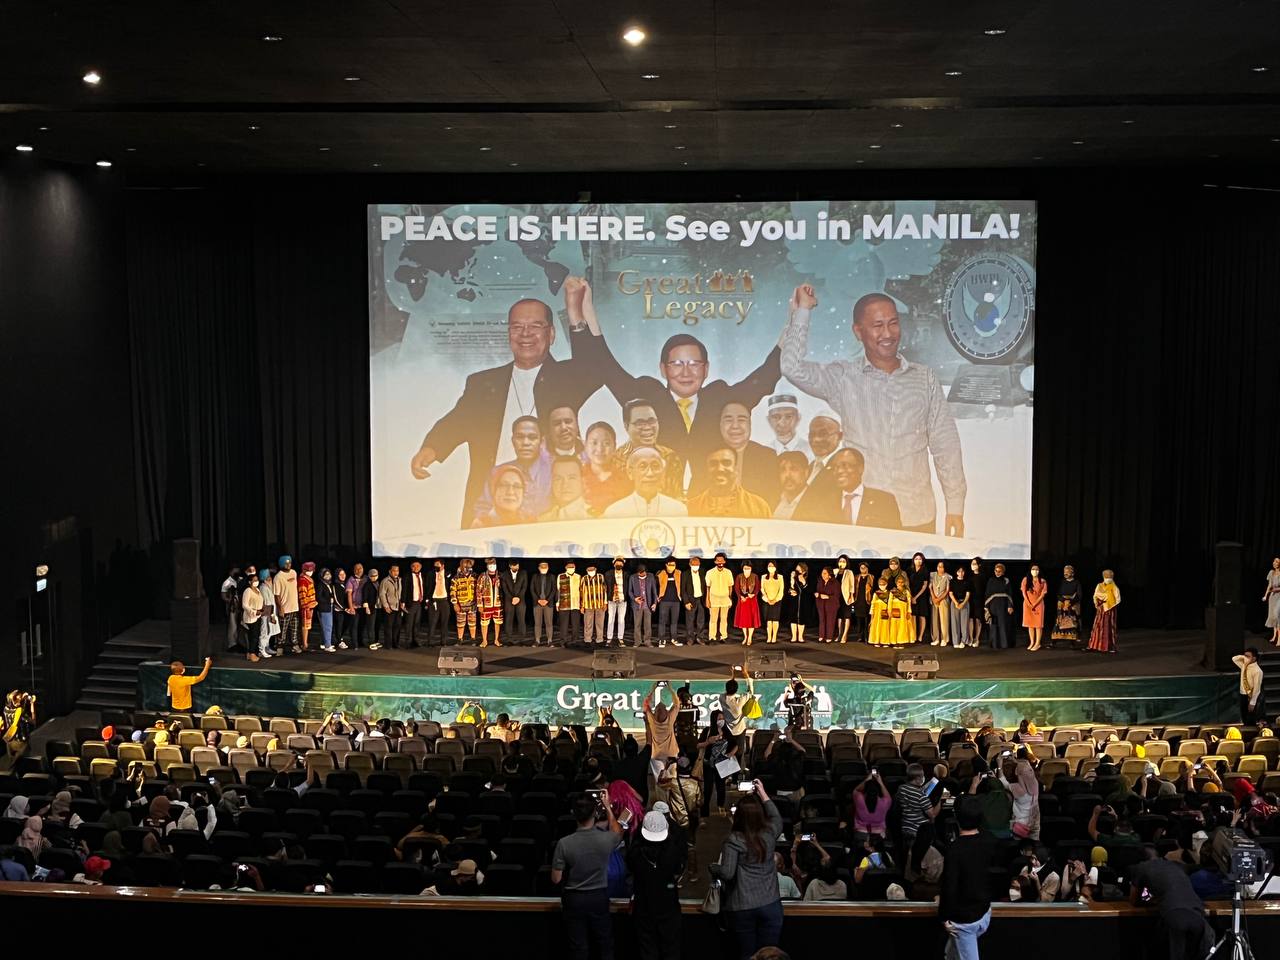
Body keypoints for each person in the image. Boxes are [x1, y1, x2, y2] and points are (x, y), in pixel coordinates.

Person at [781, 283, 966, 536]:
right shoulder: (843, 378)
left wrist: (955, 506)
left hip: (916, 514)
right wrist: (803, 311)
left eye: (893, 323)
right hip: (865, 518)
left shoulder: (924, 379)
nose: (888, 333)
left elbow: (945, 445)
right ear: (858, 331)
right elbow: (791, 367)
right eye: (878, 326)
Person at [569, 276, 782, 494]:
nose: (686, 373)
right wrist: (586, 312)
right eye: (677, 364)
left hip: (711, 503)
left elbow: (764, 379)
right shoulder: (648, 396)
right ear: (663, 369)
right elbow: (608, 369)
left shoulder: (719, 398)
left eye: (694, 364)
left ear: (706, 370)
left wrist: (797, 319)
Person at [408, 290, 599, 524]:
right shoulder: (482, 383)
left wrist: (576, 312)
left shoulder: (569, 377)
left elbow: (594, 364)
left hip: (552, 506)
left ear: (551, 334)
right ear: (509, 334)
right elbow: (458, 421)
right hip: (490, 507)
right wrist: (432, 448)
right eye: (517, 327)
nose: (525, 333)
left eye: (535, 326)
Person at [708, 781, 784, 960]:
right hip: (770, 904)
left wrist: (713, 868)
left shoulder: (733, 840)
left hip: (742, 907)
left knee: (747, 955)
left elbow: (727, 873)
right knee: (770, 955)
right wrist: (762, 792)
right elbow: (776, 817)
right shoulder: (769, 833)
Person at [551, 792, 624, 960]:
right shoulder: (605, 839)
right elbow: (618, 832)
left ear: (573, 813)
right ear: (595, 813)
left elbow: (556, 878)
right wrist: (608, 807)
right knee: (605, 944)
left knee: (578, 948)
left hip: (574, 899)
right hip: (598, 897)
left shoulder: (564, 843)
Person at [1129, 846, 1214, 960]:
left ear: (1141, 860)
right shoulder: (1177, 865)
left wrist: (1152, 900)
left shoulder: (1141, 868)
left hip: (1175, 917)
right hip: (1198, 917)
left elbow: (1134, 900)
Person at [939, 797, 995, 960]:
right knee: (951, 954)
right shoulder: (990, 841)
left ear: (956, 818)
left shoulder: (954, 850)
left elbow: (949, 887)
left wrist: (944, 917)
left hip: (965, 921)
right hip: (985, 912)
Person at [469, 415, 553, 521]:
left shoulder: (554, 470)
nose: (525, 443)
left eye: (532, 437)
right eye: (520, 437)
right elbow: (482, 509)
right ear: (513, 441)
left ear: (542, 441)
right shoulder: (497, 473)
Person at [628, 811, 687, 960]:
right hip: (669, 907)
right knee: (671, 950)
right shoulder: (673, 852)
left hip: (643, 908)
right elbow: (679, 869)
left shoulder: (635, 854)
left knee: (647, 950)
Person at [613, 398, 687, 498]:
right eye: (640, 423)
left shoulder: (670, 457)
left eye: (652, 421)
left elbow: (676, 497)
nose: (647, 427)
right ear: (626, 426)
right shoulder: (616, 459)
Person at [716, 400, 780, 506]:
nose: (735, 426)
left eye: (741, 420)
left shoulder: (767, 457)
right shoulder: (706, 455)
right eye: (728, 420)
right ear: (720, 425)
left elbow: (774, 498)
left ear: (750, 424)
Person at [602, 447, 688, 517]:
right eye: (642, 467)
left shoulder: (678, 510)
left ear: (663, 473)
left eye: (655, 466)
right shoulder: (614, 512)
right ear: (630, 473)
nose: (650, 473)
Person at [687, 447, 772, 518]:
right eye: (713, 464)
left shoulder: (759, 506)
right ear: (706, 470)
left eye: (726, 463)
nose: (720, 469)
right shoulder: (690, 507)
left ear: (736, 469)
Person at [831, 446, 902, 529]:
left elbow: (895, 535)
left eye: (845, 465)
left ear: (860, 469)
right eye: (835, 467)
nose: (839, 471)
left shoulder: (885, 501)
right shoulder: (825, 502)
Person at [896, 763, 941, 846]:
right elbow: (933, 814)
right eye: (922, 776)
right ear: (917, 778)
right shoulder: (921, 795)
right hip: (918, 830)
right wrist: (940, 800)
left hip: (905, 826)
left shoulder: (901, 788)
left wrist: (921, 789)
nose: (923, 778)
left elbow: (912, 794)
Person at [541, 455, 591, 521]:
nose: (564, 485)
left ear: (583, 480)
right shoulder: (543, 519)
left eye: (571, 478)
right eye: (558, 479)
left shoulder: (594, 517)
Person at [764, 393, 810, 458]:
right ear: (768, 420)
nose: (782, 423)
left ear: (798, 418)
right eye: (776, 417)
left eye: (788, 417)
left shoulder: (811, 451)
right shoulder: (763, 452)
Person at [1087, 569, 1121, 653]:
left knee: (1109, 626)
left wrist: (1109, 603)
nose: (1108, 578)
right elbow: (1096, 595)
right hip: (1101, 609)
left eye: (1110, 577)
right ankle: (1094, 645)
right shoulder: (1099, 585)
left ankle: (1110, 646)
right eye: (1106, 576)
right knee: (1098, 626)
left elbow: (1117, 599)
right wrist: (1098, 603)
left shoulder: (1114, 587)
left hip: (1110, 610)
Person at [273, 555, 301, 655]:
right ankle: (279, 647)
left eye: (290, 563)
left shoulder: (294, 573)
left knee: (294, 629)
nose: (289, 565)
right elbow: (276, 595)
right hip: (285, 608)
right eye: (286, 563)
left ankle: (295, 645)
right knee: (282, 630)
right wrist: (280, 608)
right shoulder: (278, 577)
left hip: (294, 607)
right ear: (281, 564)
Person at [852, 770, 892, 840]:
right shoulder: (885, 802)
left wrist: (867, 779)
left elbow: (856, 790)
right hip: (879, 835)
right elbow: (887, 796)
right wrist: (880, 782)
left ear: (865, 789)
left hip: (861, 833)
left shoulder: (859, 799)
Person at [983, 563, 1015, 650]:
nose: (997, 573)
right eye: (996, 571)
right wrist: (986, 607)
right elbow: (987, 593)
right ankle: (994, 644)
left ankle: (1004, 644)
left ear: (1003, 572)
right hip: (993, 605)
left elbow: (1009, 593)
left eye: (999, 571)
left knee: (1003, 624)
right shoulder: (991, 580)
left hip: (1003, 606)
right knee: (994, 624)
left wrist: (1010, 606)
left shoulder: (1006, 580)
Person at [706, 553, 736, 643]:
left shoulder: (728, 572)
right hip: (713, 599)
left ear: (725, 561)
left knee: (724, 619)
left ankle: (724, 636)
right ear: (715, 562)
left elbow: (730, 586)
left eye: (722, 560)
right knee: (713, 619)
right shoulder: (710, 572)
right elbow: (708, 587)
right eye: (718, 561)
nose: (720, 562)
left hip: (725, 599)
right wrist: (707, 599)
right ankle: (712, 637)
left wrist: (730, 598)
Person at [772, 451, 810, 520]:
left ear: (806, 473)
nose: (787, 475)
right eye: (783, 470)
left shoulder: (816, 503)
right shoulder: (772, 501)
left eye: (794, 469)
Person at [474, 559, 503, 648]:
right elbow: (478, 591)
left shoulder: (500, 575)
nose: (492, 566)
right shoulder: (482, 576)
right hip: (486, 604)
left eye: (493, 564)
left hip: (498, 604)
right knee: (484, 623)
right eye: (490, 564)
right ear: (487, 565)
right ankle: (484, 640)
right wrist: (480, 604)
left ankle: (496, 640)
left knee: (498, 622)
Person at [449, 558, 478, 646]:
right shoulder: (456, 578)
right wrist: (455, 603)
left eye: (469, 565)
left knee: (472, 622)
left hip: (472, 604)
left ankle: (473, 639)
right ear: (461, 565)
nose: (467, 567)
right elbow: (452, 591)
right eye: (465, 565)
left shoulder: (475, 576)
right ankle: (460, 639)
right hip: (461, 604)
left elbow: (479, 589)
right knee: (460, 623)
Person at [1051, 565, 1082, 647]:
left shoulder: (1076, 582)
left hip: (1072, 604)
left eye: (1068, 572)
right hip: (1062, 604)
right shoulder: (1062, 582)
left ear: (1072, 573)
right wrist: (1064, 601)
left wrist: (1070, 602)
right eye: (1065, 572)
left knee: (1072, 621)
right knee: (1059, 620)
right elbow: (1058, 594)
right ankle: (1054, 641)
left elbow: (1079, 595)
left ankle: (1072, 642)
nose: (1066, 573)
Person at [656, 559, 684, 649]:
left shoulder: (679, 573)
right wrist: (657, 597)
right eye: (670, 564)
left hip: (676, 601)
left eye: (673, 564)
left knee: (674, 621)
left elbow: (682, 585)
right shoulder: (661, 573)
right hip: (664, 601)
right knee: (662, 621)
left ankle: (674, 639)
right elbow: (656, 586)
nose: (672, 566)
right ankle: (661, 639)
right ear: (666, 565)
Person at [1233, 648, 1265, 724]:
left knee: (1250, 720)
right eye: (1245, 656)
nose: (1245, 658)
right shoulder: (1244, 665)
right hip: (1243, 695)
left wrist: (1252, 702)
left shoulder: (1257, 671)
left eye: (1248, 656)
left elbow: (1257, 689)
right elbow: (1234, 659)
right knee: (1244, 718)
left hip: (1251, 696)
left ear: (1254, 658)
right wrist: (1243, 657)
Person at [240, 574, 268, 662]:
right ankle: (252, 654)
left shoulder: (258, 590)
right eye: (254, 580)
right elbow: (245, 605)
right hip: (251, 617)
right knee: (253, 636)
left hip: (258, 615)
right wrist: (254, 612)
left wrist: (262, 608)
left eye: (257, 580)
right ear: (250, 582)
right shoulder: (248, 591)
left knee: (254, 635)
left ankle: (249, 653)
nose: (256, 581)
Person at [629, 563, 659, 647]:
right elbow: (630, 591)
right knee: (637, 625)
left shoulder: (650, 576)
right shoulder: (632, 577)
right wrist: (635, 599)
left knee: (648, 625)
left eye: (643, 573)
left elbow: (654, 591)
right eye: (640, 573)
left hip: (647, 605)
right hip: (637, 605)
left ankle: (647, 641)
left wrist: (655, 603)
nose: (642, 574)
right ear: (637, 572)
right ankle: (637, 641)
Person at [734, 562, 761, 646]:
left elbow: (757, 587)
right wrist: (740, 596)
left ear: (751, 569)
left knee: (751, 620)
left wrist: (753, 594)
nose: (747, 570)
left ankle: (750, 638)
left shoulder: (755, 576)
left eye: (748, 568)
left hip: (752, 601)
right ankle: (745, 637)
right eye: (745, 568)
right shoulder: (739, 576)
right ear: (742, 569)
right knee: (743, 620)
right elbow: (736, 588)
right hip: (743, 601)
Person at [1022, 563, 1048, 652]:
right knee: (1030, 624)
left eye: (1037, 569)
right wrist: (1028, 603)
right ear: (1030, 570)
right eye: (1033, 569)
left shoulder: (1043, 581)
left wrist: (1035, 604)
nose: (1035, 571)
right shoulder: (1025, 580)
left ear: (1039, 571)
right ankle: (1032, 642)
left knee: (1038, 625)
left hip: (1038, 604)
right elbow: (1024, 593)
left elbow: (1042, 594)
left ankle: (1037, 643)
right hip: (1027, 604)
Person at [557, 561, 583, 647]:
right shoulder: (560, 576)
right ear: (566, 567)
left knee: (575, 624)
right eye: (569, 567)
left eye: (573, 567)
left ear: (575, 568)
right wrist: (557, 603)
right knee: (564, 624)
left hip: (575, 603)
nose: (571, 568)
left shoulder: (578, 577)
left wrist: (582, 604)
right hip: (564, 603)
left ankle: (574, 641)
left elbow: (581, 591)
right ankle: (563, 641)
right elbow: (558, 590)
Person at [682, 556, 707, 644]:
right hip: (690, 600)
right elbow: (683, 590)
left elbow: (706, 586)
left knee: (701, 620)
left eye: (697, 564)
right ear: (690, 564)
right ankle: (690, 638)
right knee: (690, 620)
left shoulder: (703, 572)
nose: (696, 566)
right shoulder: (685, 574)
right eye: (694, 564)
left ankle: (700, 637)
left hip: (701, 599)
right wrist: (686, 602)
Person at [501, 559, 527, 643]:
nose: (516, 567)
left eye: (517, 566)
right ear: (510, 566)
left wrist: (518, 597)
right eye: (514, 566)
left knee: (521, 619)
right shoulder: (504, 574)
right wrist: (512, 598)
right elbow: (504, 588)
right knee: (509, 619)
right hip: (509, 600)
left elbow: (524, 586)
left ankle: (522, 639)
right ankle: (509, 638)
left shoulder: (523, 573)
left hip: (520, 599)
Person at [379, 562, 405, 649]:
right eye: (394, 571)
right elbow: (382, 594)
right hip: (390, 607)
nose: (396, 572)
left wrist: (402, 603)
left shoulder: (400, 580)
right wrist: (386, 606)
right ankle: (388, 645)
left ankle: (395, 644)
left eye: (397, 571)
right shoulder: (385, 581)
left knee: (397, 626)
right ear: (390, 571)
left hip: (398, 607)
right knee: (388, 627)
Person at [581, 562, 608, 645]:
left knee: (600, 623)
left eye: (592, 569)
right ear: (587, 570)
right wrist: (582, 606)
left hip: (600, 604)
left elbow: (605, 590)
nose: (591, 571)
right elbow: (581, 592)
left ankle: (599, 639)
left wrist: (605, 603)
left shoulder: (601, 577)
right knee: (588, 623)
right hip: (588, 604)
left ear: (595, 570)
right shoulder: (584, 578)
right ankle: (587, 639)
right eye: (589, 570)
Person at [786, 562, 813, 643]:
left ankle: (800, 636)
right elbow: (789, 588)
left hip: (803, 601)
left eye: (799, 570)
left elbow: (810, 591)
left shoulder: (808, 578)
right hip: (794, 601)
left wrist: (804, 582)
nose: (797, 571)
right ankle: (794, 636)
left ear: (804, 571)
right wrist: (791, 590)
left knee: (802, 618)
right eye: (796, 569)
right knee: (793, 618)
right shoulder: (793, 577)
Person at [530, 560, 556, 646]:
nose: (544, 568)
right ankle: (537, 640)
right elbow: (532, 589)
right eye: (542, 566)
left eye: (545, 566)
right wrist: (538, 600)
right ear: (539, 568)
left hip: (548, 603)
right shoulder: (535, 576)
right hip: (537, 603)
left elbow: (554, 590)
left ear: (548, 567)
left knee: (549, 623)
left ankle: (550, 641)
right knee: (537, 623)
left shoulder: (552, 576)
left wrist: (547, 600)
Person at [401, 560, 425, 647]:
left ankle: (416, 640)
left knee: (417, 623)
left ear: (421, 567)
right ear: (411, 567)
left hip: (419, 603)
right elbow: (404, 589)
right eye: (414, 566)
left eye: (418, 566)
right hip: (410, 603)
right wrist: (403, 602)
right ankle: (408, 641)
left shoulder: (422, 575)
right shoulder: (407, 576)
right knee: (409, 623)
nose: (416, 568)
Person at [315, 568, 340, 652]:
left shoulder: (328, 584)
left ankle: (323, 643)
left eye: (329, 574)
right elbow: (318, 597)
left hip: (329, 607)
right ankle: (327, 645)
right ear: (322, 575)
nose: (328, 576)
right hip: (324, 608)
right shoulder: (320, 585)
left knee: (325, 627)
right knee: (327, 627)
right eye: (326, 574)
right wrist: (328, 600)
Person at [760, 562, 784, 644]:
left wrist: (775, 600)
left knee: (775, 619)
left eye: (772, 566)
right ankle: (769, 636)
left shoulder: (780, 577)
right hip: (767, 601)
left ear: (775, 567)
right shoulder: (763, 577)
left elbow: (781, 590)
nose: (771, 567)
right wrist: (767, 599)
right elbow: (762, 589)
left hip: (777, 601)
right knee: (769, 619)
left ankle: (774, 636)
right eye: (769, 566)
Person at [908, 552, 930, 644]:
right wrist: (911, 596)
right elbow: (907, 584)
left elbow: (925, 585)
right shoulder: (910, 570)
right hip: (911, 594)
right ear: (913, 560)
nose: (918, 561)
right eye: (916, 559)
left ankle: (920, 636)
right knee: (913, 616)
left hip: (921, 596)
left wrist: (916, 597)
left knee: (922, 616)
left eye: (920, 559)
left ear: (923, 560)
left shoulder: (925, 570)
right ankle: (913, 636)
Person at [813, 567, 840, 643]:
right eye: (822, 573)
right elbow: (817, 591)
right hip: (821, 604)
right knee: (822, 620)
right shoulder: (820, 581)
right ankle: (821, 636)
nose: (823, 575)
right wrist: (816, 594)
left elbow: (837, 595)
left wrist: (828, 597)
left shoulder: (835, 582)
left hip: (831, 604)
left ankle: (829, 636)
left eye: (825, 573)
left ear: (829, 574)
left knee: (830, 620)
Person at [606, 556, 629, 644]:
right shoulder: (608, 574)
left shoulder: (626, 574)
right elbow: (606, 587)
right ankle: (609, 637)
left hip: (622, 600)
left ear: (623, 564)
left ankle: (620, 638)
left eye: (620, 563)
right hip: (611, 600)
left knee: (621, 620)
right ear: (614, 564)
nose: (619, 564)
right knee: (610, 619)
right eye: (617, 563)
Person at [930, 560, 953, 647]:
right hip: (934, 599)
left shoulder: (948, 577)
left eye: (942, 567)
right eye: (938, 566)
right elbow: (930, 587)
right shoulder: (932, 575)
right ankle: (936, 639)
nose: (940, 568)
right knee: (935, 620)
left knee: (944, 619)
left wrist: (939, 599)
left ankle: (944, 639)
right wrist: (934, 598)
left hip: (943, 599)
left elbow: (947, 590)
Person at [949, 564, 972, 650]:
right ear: (956, 572)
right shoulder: (952, 581)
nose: (961, 573)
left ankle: (964, 641)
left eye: (962, 571)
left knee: (964, 623)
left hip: (964, 603)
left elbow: (968, 594)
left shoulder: (967, 582)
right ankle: (956, 641)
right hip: (954, 603)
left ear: (964, 572)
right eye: (959, 571)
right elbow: (950, 593)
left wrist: (963, 603)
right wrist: (956, 603)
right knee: (955, 623)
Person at [220, 567, 242, 652]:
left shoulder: (239, 580)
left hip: (239, 606)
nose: (236, 573)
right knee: (232, 625)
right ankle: (232, 645)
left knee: (239, 626)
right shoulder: (227, 582)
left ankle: (238, 643)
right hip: (232, 607)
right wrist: (231, 601)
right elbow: (223, 596)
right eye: (234, 571)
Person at [361, 568, 383, 650]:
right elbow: (365, 597)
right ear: (369, 576)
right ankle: (371, 642)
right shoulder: (367, 585)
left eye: (375, 575)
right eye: (372, 576)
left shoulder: (379, 583)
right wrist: (367, 608)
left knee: (377, 625)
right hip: (371, 607)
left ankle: (376, 641)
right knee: (371, 626)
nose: (374, 577)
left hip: (378, 607)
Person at [968, 558, 987, 647]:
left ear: (979, 565)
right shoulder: (969, 576)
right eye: (972, 563)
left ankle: (977, 638)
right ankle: (971, 638)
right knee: (970, 619)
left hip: (979, 601)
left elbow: (985, 590)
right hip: (970, 600)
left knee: (978, 619)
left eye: (975, 564)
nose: (973, 565)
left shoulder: (983, 576)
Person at [1265, 556, 1280, 647]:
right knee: (1273, 617)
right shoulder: (1271, 572)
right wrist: (1266, 595)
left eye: (1277, 561)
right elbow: (1269, 585)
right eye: (1274, 561)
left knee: (1277, 616)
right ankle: (1274, 636)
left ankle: (1279, 639)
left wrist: (1277, 589)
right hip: (1272, 597)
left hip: (1279, 597)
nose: (1274, 563)